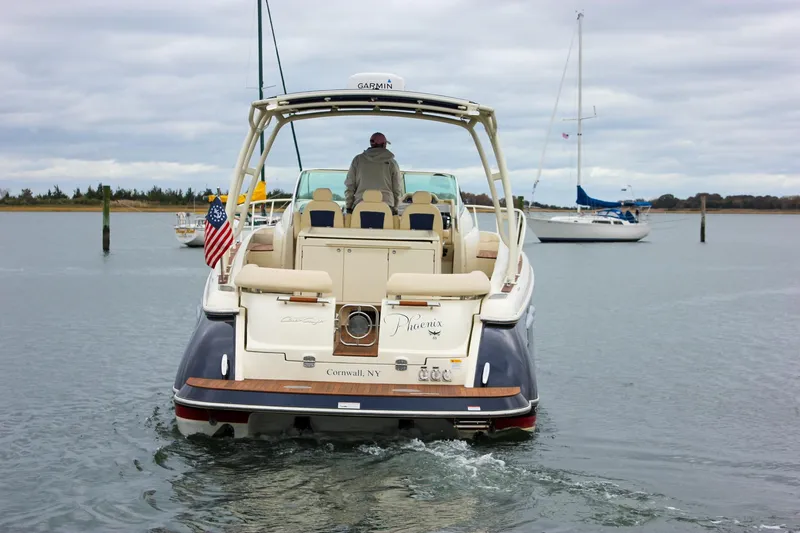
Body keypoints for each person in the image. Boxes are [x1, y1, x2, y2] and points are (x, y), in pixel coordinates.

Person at [344, 132, 403, 214]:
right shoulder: (392, 162)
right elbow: (397, 188)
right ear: (384, 145)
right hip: (386, 206)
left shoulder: (358, 160)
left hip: (361, 205)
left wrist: (349, 207)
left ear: (371, 144)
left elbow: (350, 185)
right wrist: (395, 208)